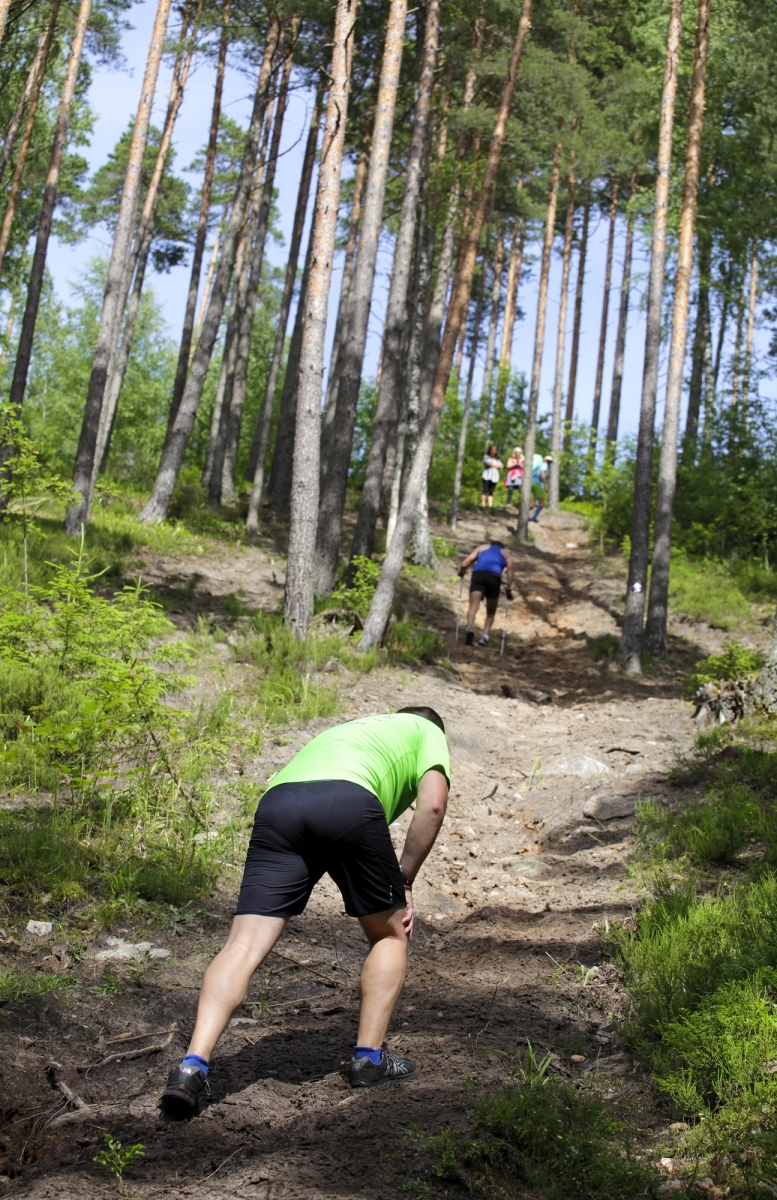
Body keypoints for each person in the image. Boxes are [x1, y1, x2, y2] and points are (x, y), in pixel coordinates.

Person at [159, 708, 450, 1115]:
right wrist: (404, 877)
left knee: (242, 945)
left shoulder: (356, 729)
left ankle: (190, 1068)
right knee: (389, 934)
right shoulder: (427, 729)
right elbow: (433, 805)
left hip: (280, 804)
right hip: (349, 801)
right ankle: (369, 1061)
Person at [458, 540, 514, 647]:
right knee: (491, 612)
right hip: (494, 578)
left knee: (473, 607)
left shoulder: (482, 547)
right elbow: (510, 569)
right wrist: (508, 588)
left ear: (491, 544)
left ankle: (469, 628)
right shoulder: (506, 553)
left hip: (478, 575)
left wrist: (461, 571)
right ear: (502, 547)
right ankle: (485, 636)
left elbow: (466, 562)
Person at [530, 453, 553, 522]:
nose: (549, 463)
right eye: (549, 462)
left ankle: (522, 515)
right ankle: (533, 518)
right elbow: (542, 474)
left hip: (531, 483)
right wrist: (545, 485)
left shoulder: (538, 465)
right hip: (537, 484)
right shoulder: (544, 465)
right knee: (541, 504)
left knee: (532, 505)